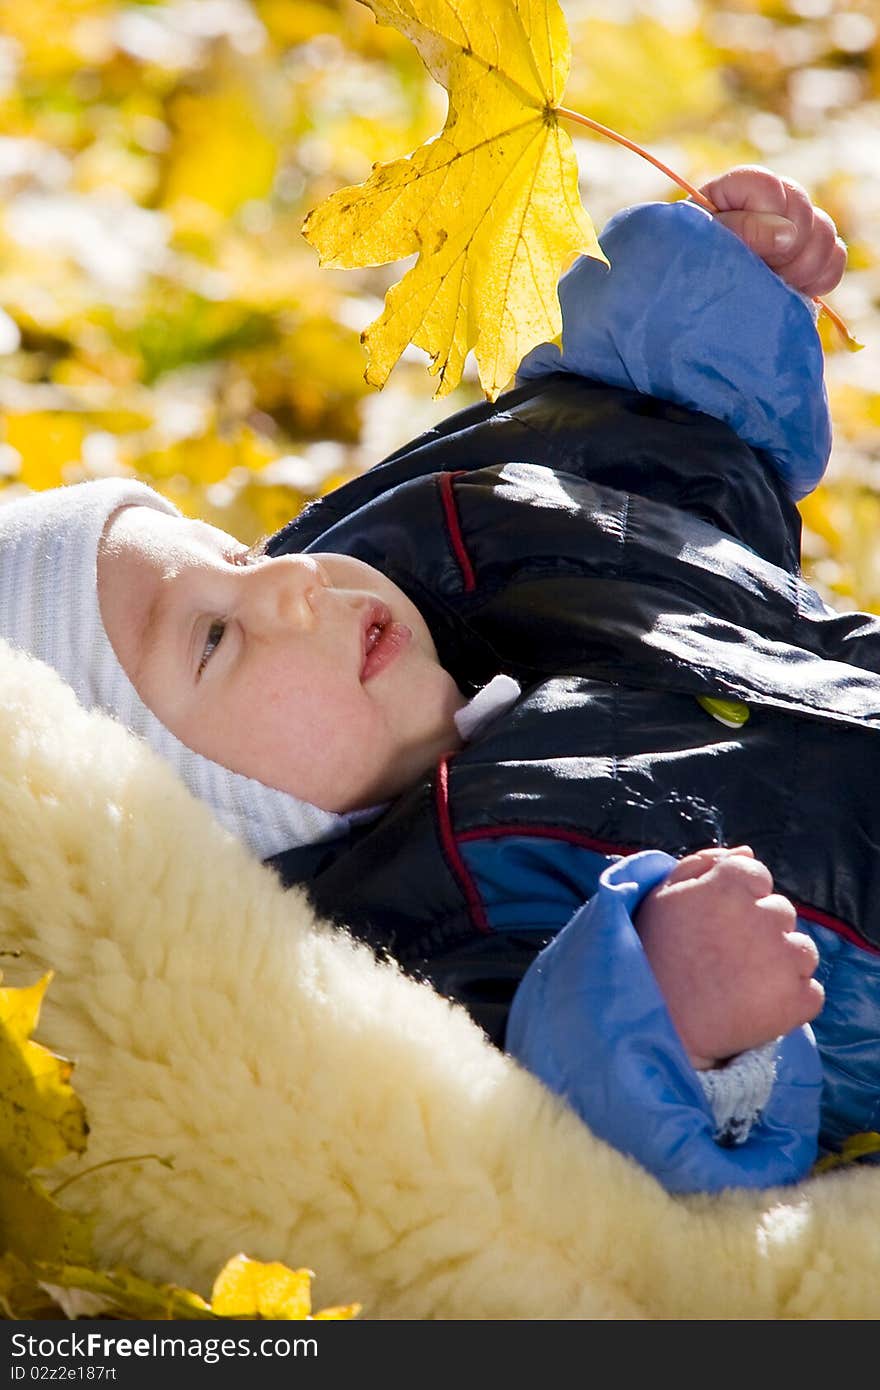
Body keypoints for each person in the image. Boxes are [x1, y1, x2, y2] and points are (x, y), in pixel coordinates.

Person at [0, 165, 868, 1194]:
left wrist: (709, 282)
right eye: (212, 640)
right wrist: (677, 1023)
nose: (285, 581)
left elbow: (639, 430)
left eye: (232, 554)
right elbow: (545, 1168)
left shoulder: (477, 565)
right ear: (195, 826)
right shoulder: (401, 950)